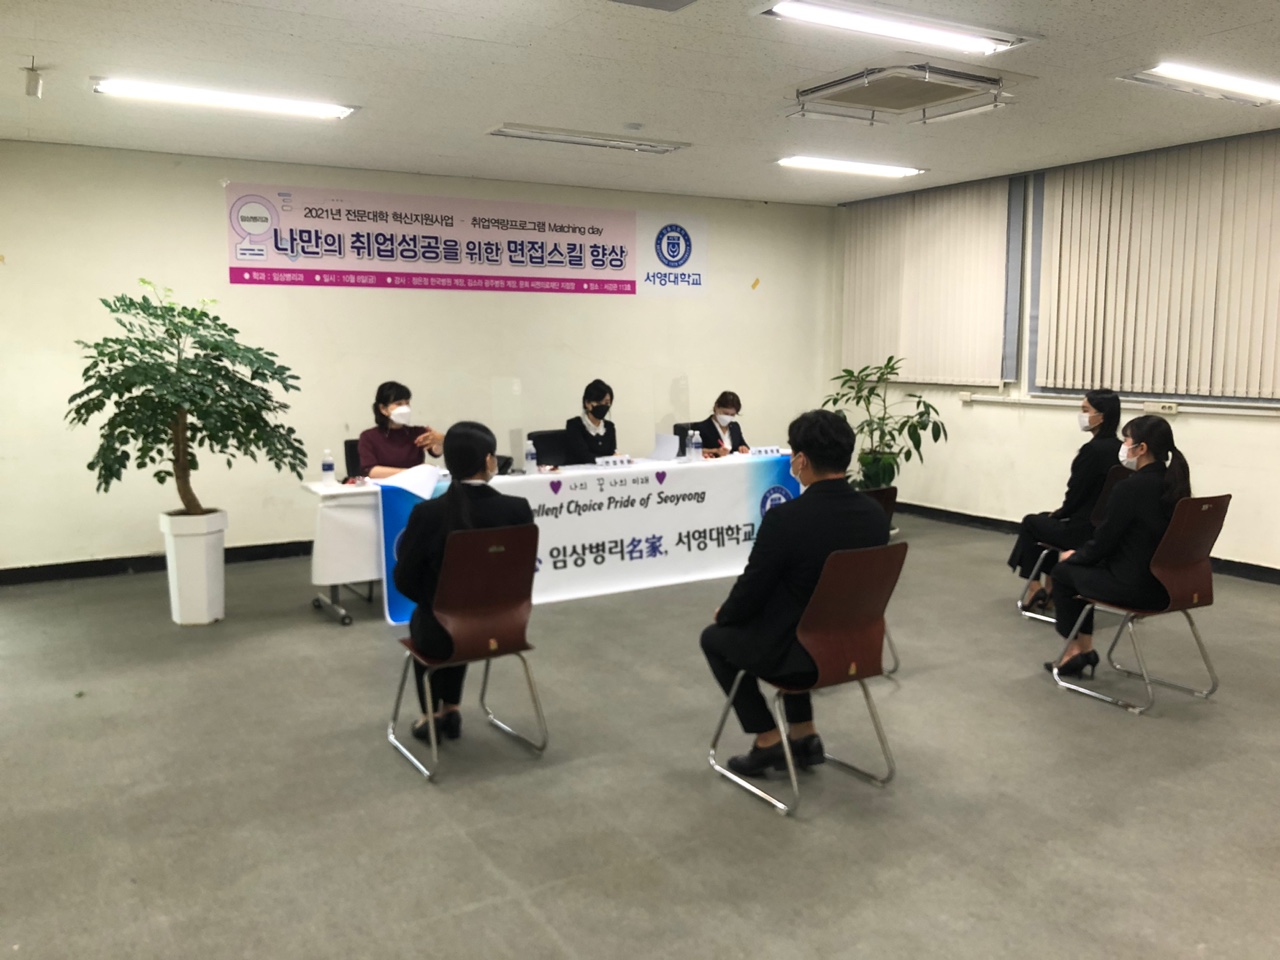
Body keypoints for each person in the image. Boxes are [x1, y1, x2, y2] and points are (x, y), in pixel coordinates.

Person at [700, 409, 890, 778]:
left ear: (801, 460)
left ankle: (768, 740)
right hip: (859, 650)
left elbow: (752, 589)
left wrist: (726, 615)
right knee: (799, 620)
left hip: (801, 660)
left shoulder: (785, 519)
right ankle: (804, 735)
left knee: (715, 639)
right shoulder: (874, 515)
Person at [392, 422, 535, 740]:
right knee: (462, 610)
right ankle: (451, 709)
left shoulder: (427, 514)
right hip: (506, 628)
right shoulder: (517, 510)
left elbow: (404, 580)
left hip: (441, 635)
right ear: (488, 460)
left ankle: (431, 716)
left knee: (436, 615)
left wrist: (435, 600)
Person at [1045, 415, 1191, 678]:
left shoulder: (1130, 488)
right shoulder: (1176, 486)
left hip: (1135, 588)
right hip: (1169, 586)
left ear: (1141, 448)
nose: (1123, 446)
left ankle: (1075, 651)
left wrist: (1074, 556)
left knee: (1063, 573)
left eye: (1126, 440)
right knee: (1079, 570)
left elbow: (1103, 542)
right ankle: (1084, 651)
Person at [1008, 389, 1122, 611]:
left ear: (1101, 416)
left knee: (1031, 523)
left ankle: (1035, 587)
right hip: (1102, 528)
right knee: (1044, 521)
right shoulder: (1120, 450)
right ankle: (1051, 588)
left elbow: (1075, 495)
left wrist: (1060, 513)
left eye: (1086, 410)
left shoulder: (1091, 451)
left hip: (1081, 530)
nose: (1082, 415)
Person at [357, 381, 444, 478]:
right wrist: (413, 472)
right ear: (383, 409)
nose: (405, 408)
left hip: (416, 484)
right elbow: (370, 471)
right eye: (399, 404)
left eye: (407, 403)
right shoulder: (369, 437)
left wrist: (440, 441)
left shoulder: (417, 432)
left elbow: (436, 453)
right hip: (384, 485)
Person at [564, 378, 617, 464]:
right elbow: (583, 455)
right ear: (587, 403)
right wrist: (607, 460)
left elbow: (612, 453)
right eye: (599, 402)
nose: (603, 406)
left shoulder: (609, 427)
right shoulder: (574, 425)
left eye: (607, 403)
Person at [694, 391, 750, 458]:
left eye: (732, 415)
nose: (728, 417)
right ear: (716, 407)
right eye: (725, 413)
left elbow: (744, 445)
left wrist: (743, 448)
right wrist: (716, 451)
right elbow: (693, 451)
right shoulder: (701, 428)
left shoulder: (735, 427)